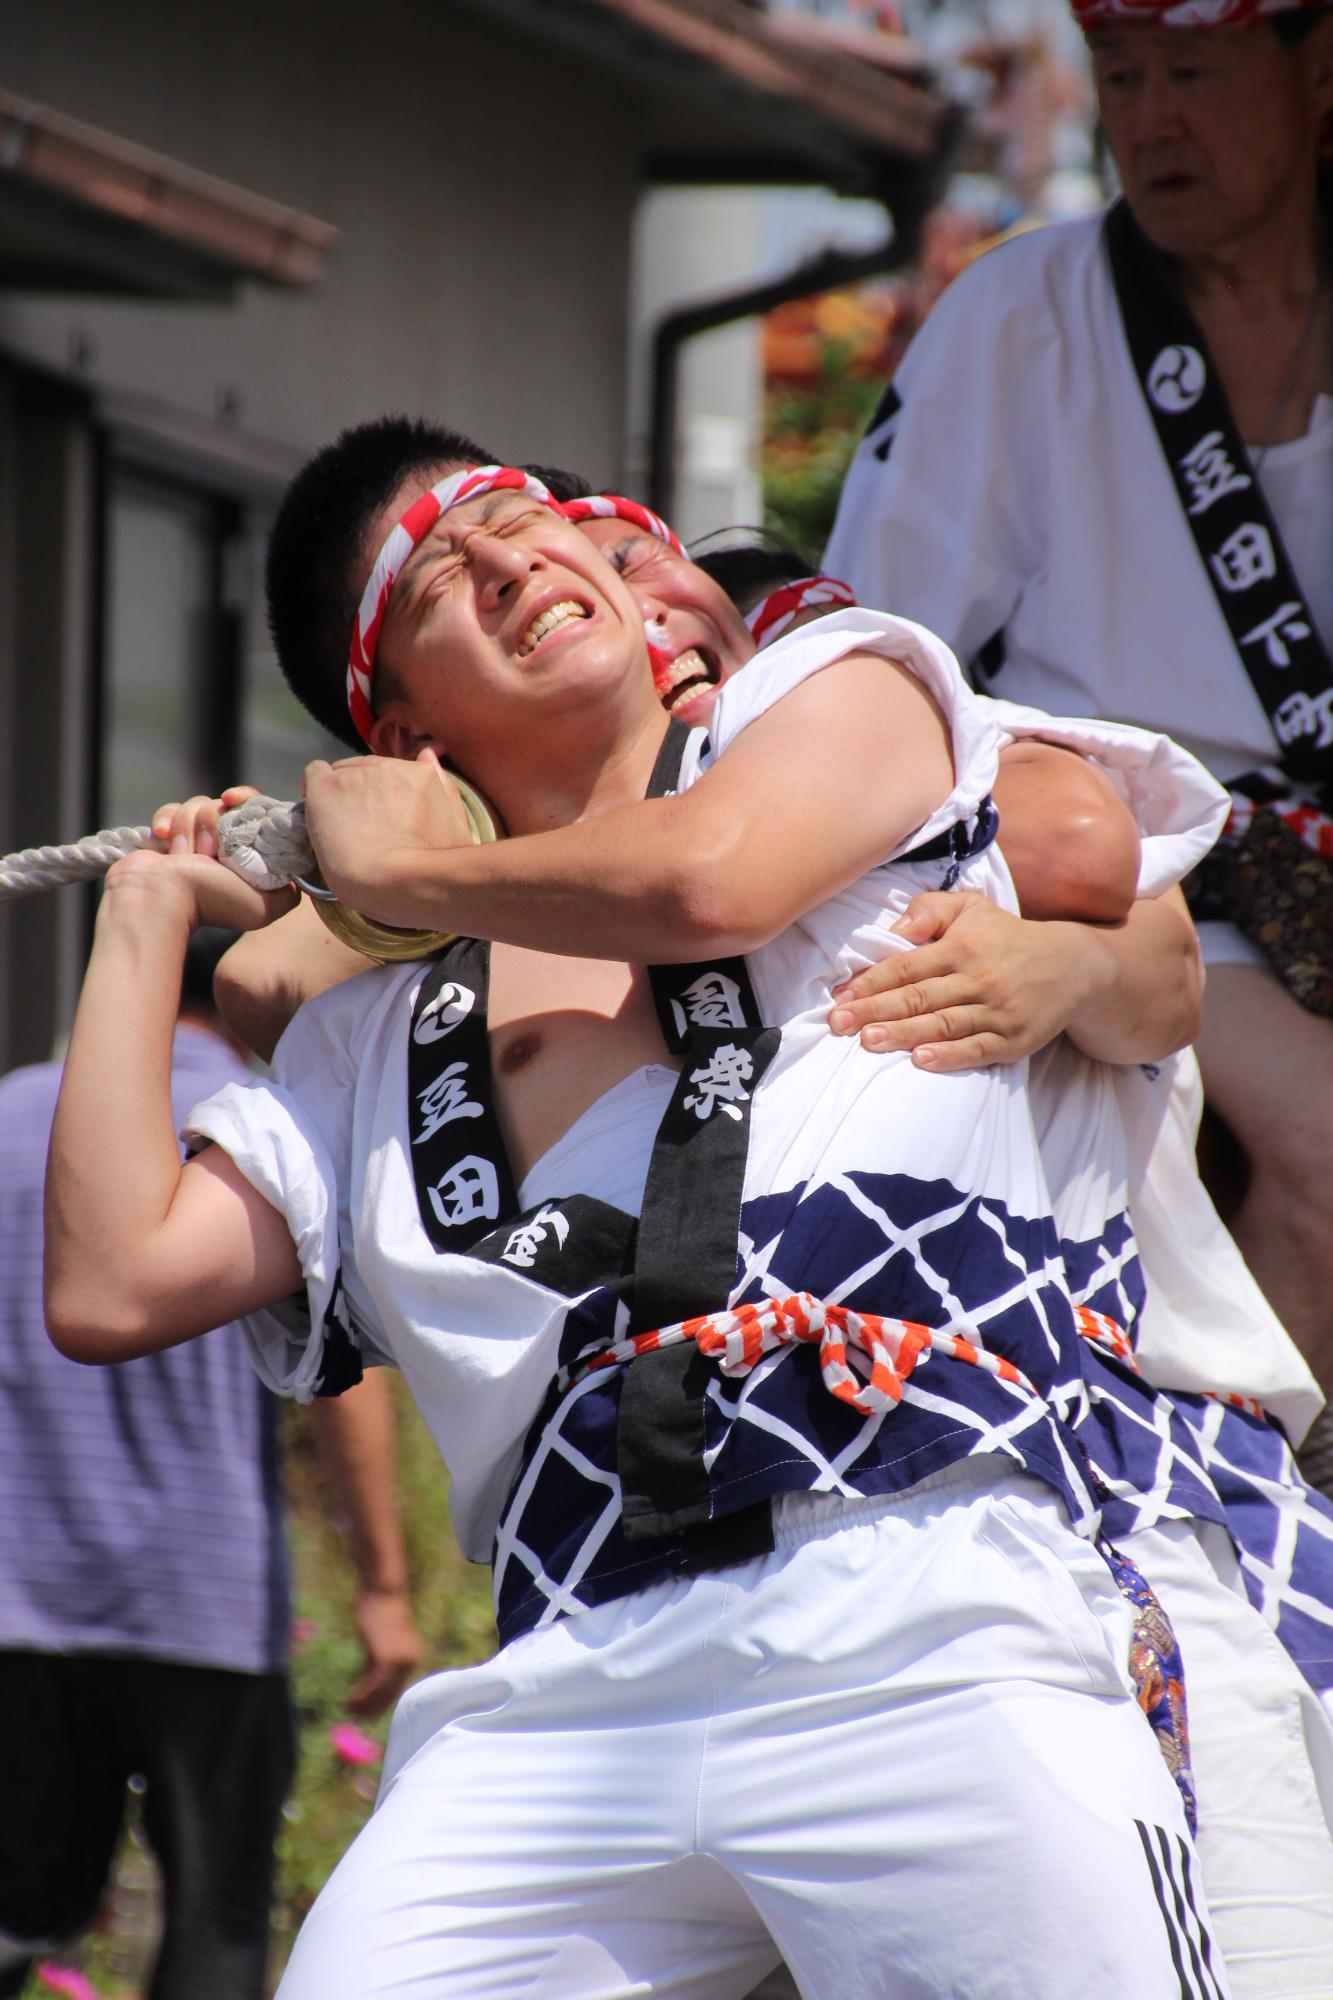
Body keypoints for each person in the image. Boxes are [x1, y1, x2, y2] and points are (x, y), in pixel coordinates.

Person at [43, 421, 1229, 1999]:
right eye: (434, 579)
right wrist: (144, 917)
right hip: (572, 1676)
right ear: (397, 725)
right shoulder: (370, 1042)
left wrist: (414, 879)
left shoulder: (835, 710)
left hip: (927, 1594)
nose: (506, 559)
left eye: (513, 515)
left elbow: (708, 882)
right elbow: (112, 1282)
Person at [826, 0, 1333, 1442]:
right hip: (1137, 875)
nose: (1152, 115)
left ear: (1316, 70)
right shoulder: (1021, 315)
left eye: (1193, 71)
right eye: (1123, 75)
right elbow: (879, 644)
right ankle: (1246, 1556)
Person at [0, 929, 424, 2000]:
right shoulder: (269, 1128)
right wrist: (380, 1583)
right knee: (217, 1918)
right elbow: (346, 1379)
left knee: (19, 1905)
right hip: (204, 1595)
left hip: (17, 1585)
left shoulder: (10, 1112)